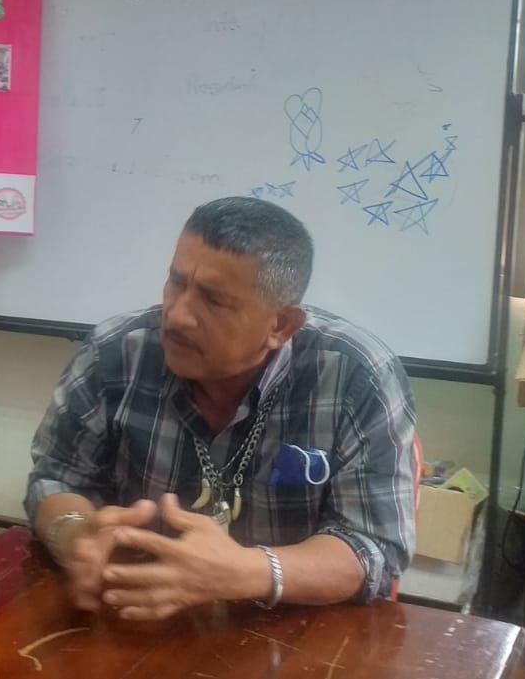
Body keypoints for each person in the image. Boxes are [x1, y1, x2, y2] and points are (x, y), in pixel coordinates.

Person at [26, 197, 417, 621]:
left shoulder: (354, 376)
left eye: (213, 301)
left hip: (290, 627)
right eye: (176, 282)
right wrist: (75, 535)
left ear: (281, 326)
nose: (178, 316)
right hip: (138, 614)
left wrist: (248, 572)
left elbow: (374, 547)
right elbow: (56, 478)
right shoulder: (117, 352)